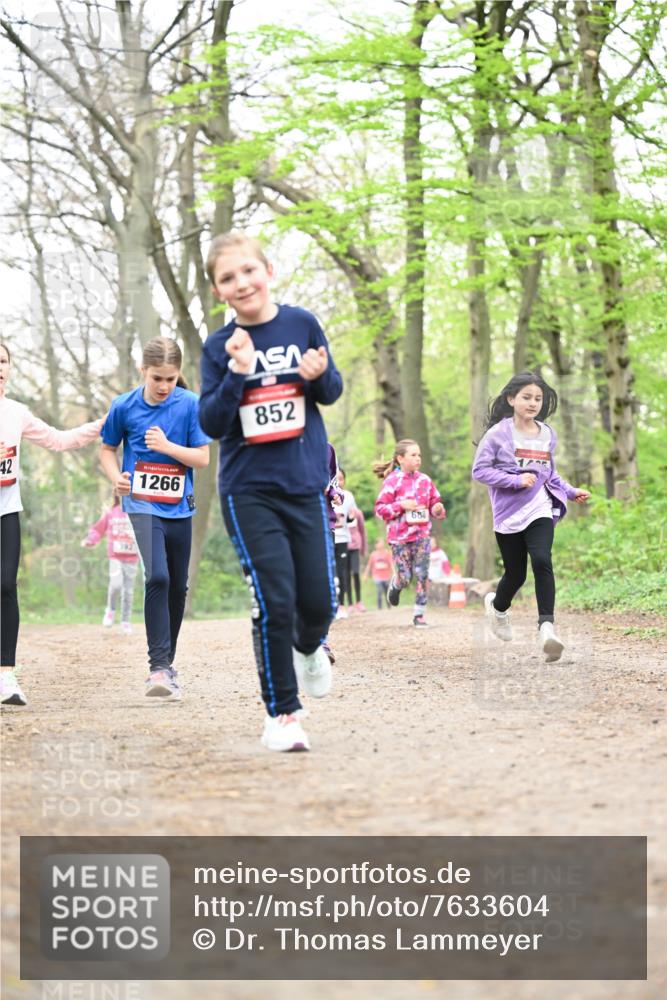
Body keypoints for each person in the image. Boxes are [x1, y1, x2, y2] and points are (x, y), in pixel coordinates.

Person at [199, 231, 343, 752]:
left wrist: (317, 374)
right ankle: (282, 715)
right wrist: (238, 372)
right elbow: (213, 422)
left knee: (320, 602)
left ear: (269, 271)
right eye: (228, 278)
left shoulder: (300, 323)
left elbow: (330, 390)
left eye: (248, 271)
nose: (241, 283)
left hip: (304, 484)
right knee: (274, 600)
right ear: (219, 291)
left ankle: (310, 649)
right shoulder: (219, 347)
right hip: (248, 490)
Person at [100, 337, 210, 699]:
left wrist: (167, 448)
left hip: (180, 505)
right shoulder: (124, 406)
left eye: (171, 378)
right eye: (157, 378)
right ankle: (157, 667)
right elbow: (107, 449)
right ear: (142, 371)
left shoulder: (190, 405)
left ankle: (167, 663)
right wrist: (116, 477)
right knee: (158, 575)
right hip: (142, 503)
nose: (164, 386)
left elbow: (202, 458)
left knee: (178, 586)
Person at [0, 342, 105, 706]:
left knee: (6, 585)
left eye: (3, 361)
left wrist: (103, 424)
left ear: (10, 367)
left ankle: (6, 676)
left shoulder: (16, 412)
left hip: (6, 508)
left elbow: (60, 440)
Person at [472, 371, 590, 661]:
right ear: (511, 399)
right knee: (516, 574)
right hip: (508, 513)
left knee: (541, 560)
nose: (533, 403)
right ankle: (498, 607)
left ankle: (546, 628)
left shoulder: (547, 433)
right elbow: (480, 471)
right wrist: (515, 480)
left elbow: (549, 473)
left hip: (540, 507)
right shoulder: (497, 434)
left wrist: (571, 491)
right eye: (526, 397)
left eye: (538, 398)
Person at [373, 439, 446, 627]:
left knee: (422, 573)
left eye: (419, 455)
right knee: (406, 578)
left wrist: (437, 509)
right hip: (399, 538)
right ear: (400, 458)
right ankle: (396, 584)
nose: (418, 459)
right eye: (413, 455)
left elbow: (435, 505)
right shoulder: (392, 482)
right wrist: (401, 505)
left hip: (422, 535)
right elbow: (380, 509)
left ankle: (419, 614)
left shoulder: (425, 480)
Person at [81, 490, 140, 635]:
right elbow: (98, 530)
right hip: (115, 556)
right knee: (116, 584)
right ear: (117, 494)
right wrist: (90, 540)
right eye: (123, 492)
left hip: (132, 557)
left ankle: (126, 621)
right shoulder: (111, 513)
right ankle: (111, 610)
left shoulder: (140, 513)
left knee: (128, 591)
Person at [333, 467, 360, 616]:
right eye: (335, 478)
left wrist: (351, 515)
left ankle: (341, 605)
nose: (339, 481)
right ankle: (330, 604)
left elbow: (352, 517)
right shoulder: (324, 494)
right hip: (328, 537)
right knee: (329, 572)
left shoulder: (348, 496)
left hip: (342, 538)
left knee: (341, 571)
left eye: (341, 478)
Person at [345, 488, 367, 612]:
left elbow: (362, 532)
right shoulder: (338, 512)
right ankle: (350, 603)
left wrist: (364, 548)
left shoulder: (358, 514)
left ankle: (359, 601)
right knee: (346, 574)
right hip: (343, 546)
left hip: (355, 547)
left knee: (355, 572)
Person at [363, 536, 393, 610]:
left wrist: (394, 573)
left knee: (387, 591)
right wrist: (365, 575)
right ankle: (379, 607)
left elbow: (391, 563)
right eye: (379, 543)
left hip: (386, 576)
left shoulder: (387, 553)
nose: (381, 545)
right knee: (379, 591)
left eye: (382, 543)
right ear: (376, 545)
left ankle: (389, 606)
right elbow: (369, 566)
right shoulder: (373, 555)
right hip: (377, 576)